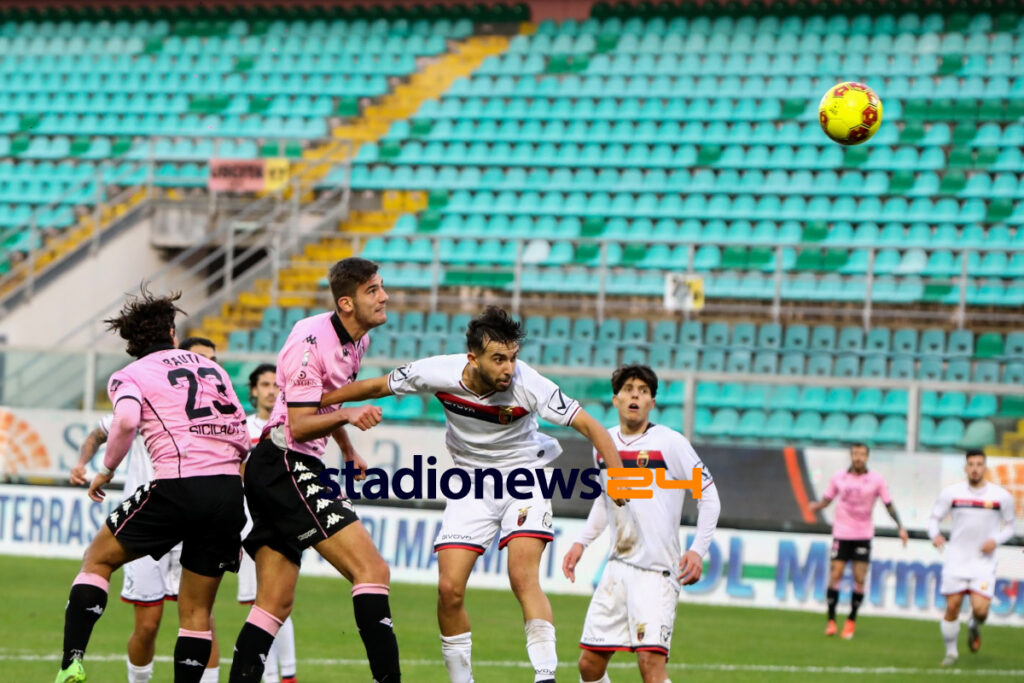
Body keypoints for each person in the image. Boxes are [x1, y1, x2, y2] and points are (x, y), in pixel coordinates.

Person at [319, 305, 626, 683]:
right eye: (498, 359)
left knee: (522, 577)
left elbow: (592, 426)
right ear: (472, 358)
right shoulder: (438, 372)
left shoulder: (530, 384)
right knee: (449, 589)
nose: (508, 368)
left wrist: (619, 477)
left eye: (512, 358)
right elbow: (376, 386)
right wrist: (318, 400)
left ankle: (545, 675)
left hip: (524, 478)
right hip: (470, 484)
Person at [56, 290, 249, 683]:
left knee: (98, 560)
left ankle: (71, 662)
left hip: (178, 486)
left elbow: (126, 421)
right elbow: (241, 431)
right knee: (197, 614)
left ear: (131, 342)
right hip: (228, 491)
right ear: (172, 332)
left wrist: (106, 470)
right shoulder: (212, 369)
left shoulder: (131, 375)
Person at [227, 257, 399, 683]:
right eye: (373, 291)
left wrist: (347, 448)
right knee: (372, 571)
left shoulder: (358, 340)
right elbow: (301, 423)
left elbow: (325, 399)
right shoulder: (309, 343)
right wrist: (349, 415)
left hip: (282, 463)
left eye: (382, 287)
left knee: (273, 604)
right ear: (346, 303)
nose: (384, 297)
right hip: (285, 462)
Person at [561, 365, 721, 683]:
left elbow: (709, 496)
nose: (635, 395)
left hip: (657, 572)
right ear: (616, 399)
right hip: (617, 568)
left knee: (650, 665)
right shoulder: (604, 444)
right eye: (629, 389)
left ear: (652, 403)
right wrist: (582, 542)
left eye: (643, 391)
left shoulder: (670, 443)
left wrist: (697, 550)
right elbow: (605, 499)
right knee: (589, 666)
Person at [808, 442, 908, 639]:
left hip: (862, 535)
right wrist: (818, 506)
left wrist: (900, 526)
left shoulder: (876, 480)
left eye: (862, 454)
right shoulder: (839, 477)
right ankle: (831, 620)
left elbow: (888, 504)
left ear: (867, 457)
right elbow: (828, 498)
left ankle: (851, 620)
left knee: (859, 578)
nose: (858, 457)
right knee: (835, 574)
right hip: (841, 533)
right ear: (851, 455)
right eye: (855, 453)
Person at [237, 363, 298, 683]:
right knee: (266, 603)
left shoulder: (290, 427)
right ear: (253, 391)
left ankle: (281, 676)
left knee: (273, 602)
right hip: (249, 521)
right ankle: (281, 675)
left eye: (276, 384)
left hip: (280, 519)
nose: (272, 390)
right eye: (264, 384)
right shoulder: (242, 429)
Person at [929, 450, 1016, 667]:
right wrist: (935, 535)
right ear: (965, 468)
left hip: (983, 563)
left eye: (979, 464)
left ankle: (974, 626)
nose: (975, 468)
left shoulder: (1000, 496)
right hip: (956, 560)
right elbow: (934, 518)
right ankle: (951, 653)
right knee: (952, 607)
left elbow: (1010, 527)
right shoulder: (952, 493)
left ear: (985, 467)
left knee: (981, 610)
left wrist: (995, 540)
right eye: (971, 464)